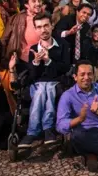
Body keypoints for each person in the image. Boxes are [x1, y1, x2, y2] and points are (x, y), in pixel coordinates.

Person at [19, 14, 71, 148]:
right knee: (42, 89)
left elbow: (65, 68)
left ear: (52, 26)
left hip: (57, 83)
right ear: (36, 30)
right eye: (39, 27)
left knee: (46, 88)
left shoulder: (63, 45)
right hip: (37, 86)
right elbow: (32, 77)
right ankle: (48, 129)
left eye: (46, 25)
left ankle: (32, 132)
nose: (43, 30)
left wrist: (48, 61)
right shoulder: (33, 49)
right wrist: (36, 62)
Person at [1, 0, 44, 67]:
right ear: (26, 4)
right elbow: (4, 39)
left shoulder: (47, 16)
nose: (38, 4)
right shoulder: (16, 18)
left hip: (43, 58)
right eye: (34, 1)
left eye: (39, 1)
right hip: (23, 60)